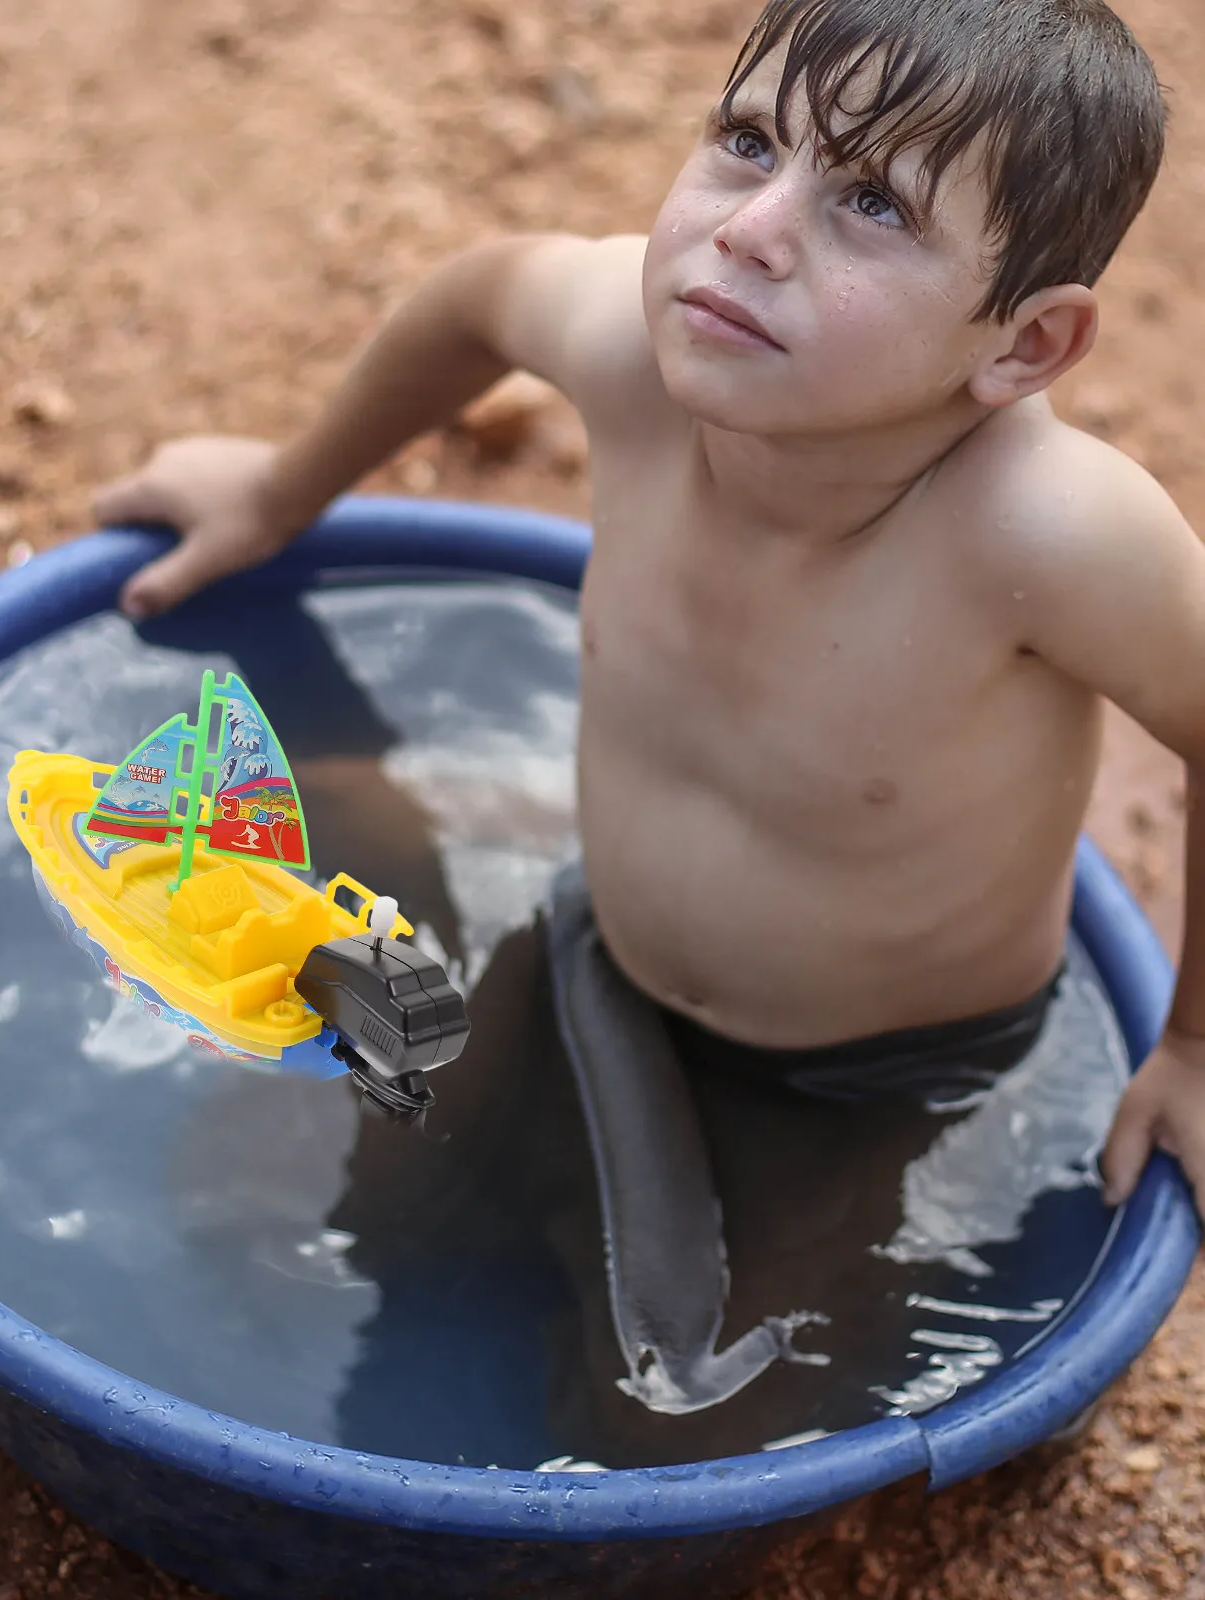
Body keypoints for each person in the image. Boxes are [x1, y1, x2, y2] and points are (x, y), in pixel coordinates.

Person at [92, 0, 1205, 1407]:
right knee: (370, 1232)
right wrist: (276, 492)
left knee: (678, 1409)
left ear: (1026, 347)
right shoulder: (631, 351)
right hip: (600, 952)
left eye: (873, 204)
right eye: (749, 140)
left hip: (868, 1080)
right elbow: (474, 298)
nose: (754, 228)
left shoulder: (1046, 538)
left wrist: (1194, 1044)